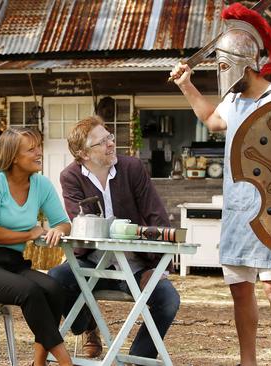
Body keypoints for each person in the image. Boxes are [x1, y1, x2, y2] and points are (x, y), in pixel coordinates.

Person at [170, 3, 271, 366]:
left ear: (245, 62)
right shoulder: (234, 101)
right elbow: (210, 120)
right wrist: (186, 84)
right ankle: (248, 361)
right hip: (237, 211)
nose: (222, 73)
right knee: (241, 290)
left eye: (224, 65)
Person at [48, 115, 180, 360]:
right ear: (84, 153)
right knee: (56, 278)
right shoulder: (71, 177)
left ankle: (138, 358)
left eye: (109, 137)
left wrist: (161, 267)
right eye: (102, 142)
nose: (111, 144)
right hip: (92, 265)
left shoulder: (132, 168)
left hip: (136, 265)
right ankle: (87, 324)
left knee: (168, 300)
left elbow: (156, 214)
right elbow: (83, 223)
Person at [0, 127, 73, 366]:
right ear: (13, 157)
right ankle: (65, 363)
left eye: (39, 146)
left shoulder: (41, 184)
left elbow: (63, 223)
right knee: (30, 291)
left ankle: (38, 363)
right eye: (31, 149)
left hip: (14, 264)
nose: (39, 152)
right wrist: (29, 233)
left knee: (54, 288)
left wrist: (56, 231)